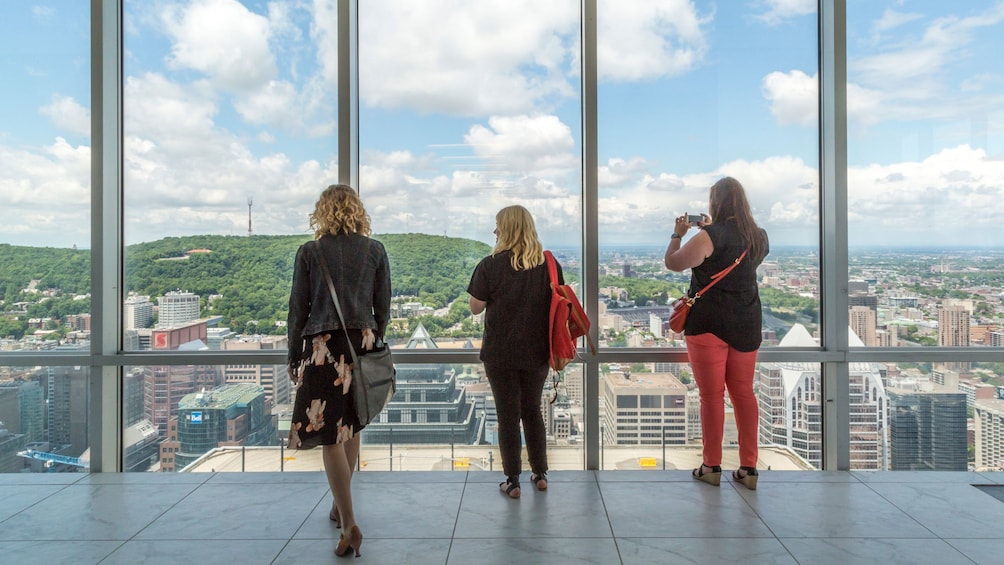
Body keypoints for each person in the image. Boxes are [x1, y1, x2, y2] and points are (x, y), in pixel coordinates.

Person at [287, 184, 391, 556]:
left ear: (323, 212)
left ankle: (348, 522)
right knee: (353, 424)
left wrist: (294, 356)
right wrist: (372, 340)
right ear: (357, 211)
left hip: (323, 347)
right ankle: (338, 504)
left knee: (329, 434)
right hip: (361, 344)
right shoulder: (376, 250)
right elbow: (384, 308)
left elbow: (298, 310)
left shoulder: (310, 252)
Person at [663, 176, 769, 490]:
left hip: (708, 324)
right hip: (747, 323)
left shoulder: (709, 235)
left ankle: (711, 466)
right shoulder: (759, 237)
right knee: (744, 394)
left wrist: (678, 235)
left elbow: (673, 263)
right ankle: (749, 468)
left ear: (716, 203)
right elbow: (738, 266)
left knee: (712, 398)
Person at [467, 205, 560, 499]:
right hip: (538, 351)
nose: (494, 231)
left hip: (500, 352)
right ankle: (540, 474)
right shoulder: (550, 264)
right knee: (532, 410)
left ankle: (513, 481)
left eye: (498, 226)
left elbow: (475, 307)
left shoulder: (490, 265)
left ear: (507, 229)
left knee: (507, 415)